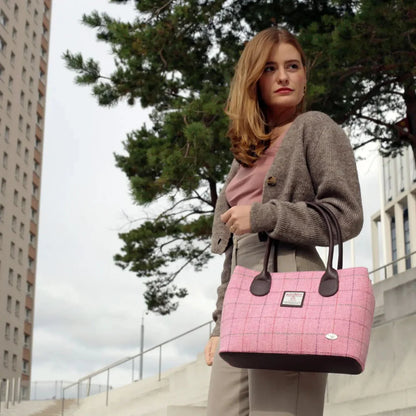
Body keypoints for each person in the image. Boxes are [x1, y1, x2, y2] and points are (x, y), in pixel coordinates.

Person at [204, 27, 363, 416]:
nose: (284, 76)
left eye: (293, 66)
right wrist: (219, 324)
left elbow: (346, 215)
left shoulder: (315, 128)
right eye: (271, 68)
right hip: (244, 288)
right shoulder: (245, 155)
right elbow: (233, 252)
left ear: (304, 76)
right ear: (254, 80)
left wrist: (263, 215)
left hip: (293, 277)